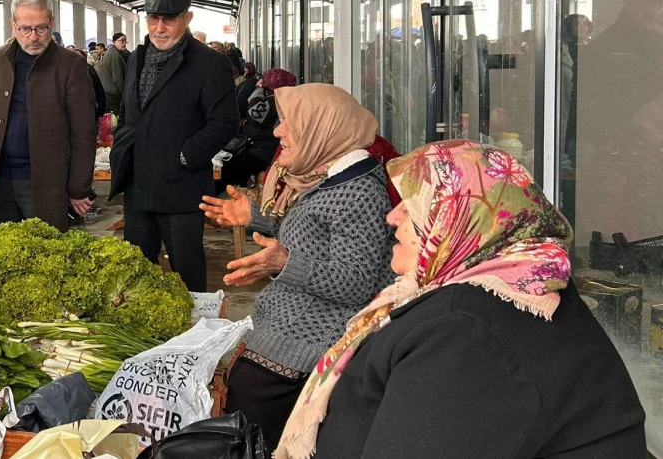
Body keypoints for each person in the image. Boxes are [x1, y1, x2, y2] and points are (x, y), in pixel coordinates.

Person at [275, 140, 646, 459]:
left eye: (411, 206)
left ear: (458, 221)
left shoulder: (468, 334)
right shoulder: (506, 291)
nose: (391, 217)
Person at [199, 83, 394, 448]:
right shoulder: (329, 179)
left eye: (289, 122)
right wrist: (254, 217)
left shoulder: (360, 193)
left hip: (303, 352)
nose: (276, 131)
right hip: (285, 335)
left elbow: (356, 283)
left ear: (322, 129)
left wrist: (285, 262)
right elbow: (315, 242)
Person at [110, 0, 237, 292]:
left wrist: (184, 155)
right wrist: (123, 142)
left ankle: (193, 335)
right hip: (138, 184)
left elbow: (225, 122)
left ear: (187, 18)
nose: (159, 27)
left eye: (169, 19)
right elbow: (128, 109)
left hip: (182, 188)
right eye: (153, 18)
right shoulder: (137, 57)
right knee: (137, 272)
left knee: (186, 269)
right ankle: (144, 333)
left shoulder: (210, 63)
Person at [0, 0, 97, 235]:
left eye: (41, 28)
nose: (34, 36)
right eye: (25, 29)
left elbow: (84, 131)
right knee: (4, 252)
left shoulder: (71, 64)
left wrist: (78, 187)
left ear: (51, 23)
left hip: (45, 182)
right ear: (13, 25)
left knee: (45, 253)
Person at [219, 67, 293, 189]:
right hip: (263, 147)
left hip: (264, 151)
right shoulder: (281, 99)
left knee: (228, 170)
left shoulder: (276, 100)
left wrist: (258, 90)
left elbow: (254, 113)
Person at [95, 30, 127, 116]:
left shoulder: (111, 52)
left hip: (108, 92)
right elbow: (118, 78)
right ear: (114, 42)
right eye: (121, 41)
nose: (124, 43)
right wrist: (125, 95)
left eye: (125, 41)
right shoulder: (115, 55)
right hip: (113, 94)